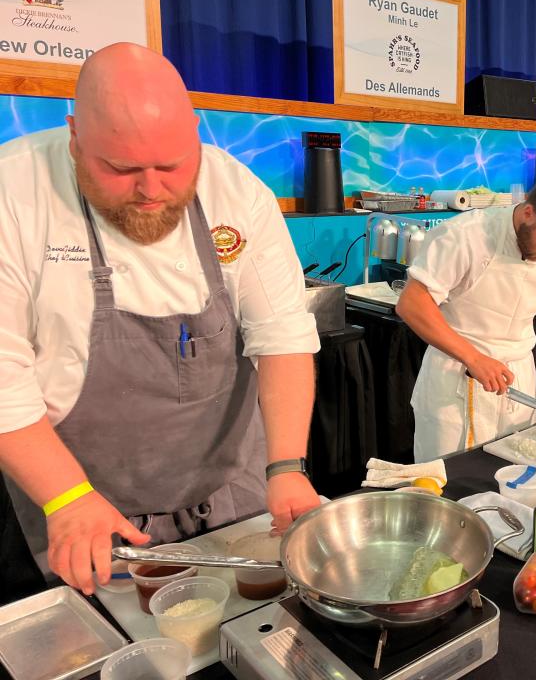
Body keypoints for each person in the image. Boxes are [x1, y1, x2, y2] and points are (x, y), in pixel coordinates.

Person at [0, 43, 321, 597]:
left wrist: (287, 464)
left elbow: (283, 334)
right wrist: (67, 498)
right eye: (120, 169)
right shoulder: (14, 194)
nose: (150, 190)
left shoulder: (237, 191)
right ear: (75, 135)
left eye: (172, 165)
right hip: (86, 508)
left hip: (230, 489)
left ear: (195, 131)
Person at [397, 170, 536, 462]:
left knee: (518, 479)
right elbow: (412, 303)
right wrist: (473, 357)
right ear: (529, 213)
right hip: (457, 378)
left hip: (518, 382)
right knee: (451, 487)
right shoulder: (465, 236)